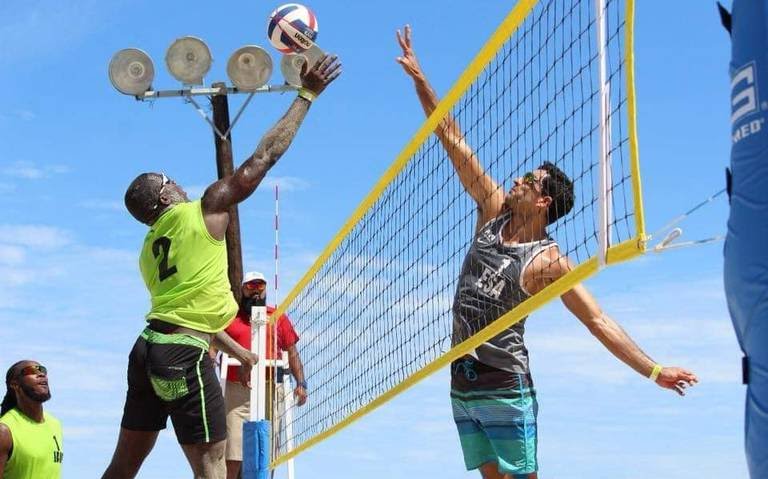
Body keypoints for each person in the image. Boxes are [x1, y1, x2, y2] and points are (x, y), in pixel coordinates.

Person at [395, 25, 698, 479]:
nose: (517, 180)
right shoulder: (492, 211)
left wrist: (654, 371)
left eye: (528, 181)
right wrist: (421, 80)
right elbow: (452, 139)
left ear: (543, 202)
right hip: (462, 377)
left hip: (504, 381)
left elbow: (598, 321)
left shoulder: (550, 261)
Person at [101, 54, 341, 479]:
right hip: (184, 356)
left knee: (123, 466)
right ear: (163, 198)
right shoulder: (204, 208)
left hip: (146, 350)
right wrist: (306, 96)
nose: (173, 179)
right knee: (212, 467)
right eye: (166, 179)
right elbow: (264, 157)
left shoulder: (147, 250)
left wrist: (239, 353)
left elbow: (188, 314)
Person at [221, 271, 307, 479]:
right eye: (251, 287)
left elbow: (291, 351)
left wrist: (301, 382)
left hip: (270, 388)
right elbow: (212, 350)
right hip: (236, 391)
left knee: (267, 451)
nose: (256, 292)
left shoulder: (276, 316)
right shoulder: (230, 318)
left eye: (260, 286)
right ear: (242, 290)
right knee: (232, 452)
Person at [0, 361, 63, 479]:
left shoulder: (55, 424)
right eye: (31, 371)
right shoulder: (4, 431)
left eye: (42, 370)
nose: (41, 374)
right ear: (15, 384)